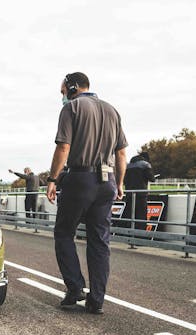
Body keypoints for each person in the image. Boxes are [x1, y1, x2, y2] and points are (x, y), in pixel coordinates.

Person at [46, 72, 127, 314]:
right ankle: (97, 300)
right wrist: (120, 183)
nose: (63, 97)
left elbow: (63, 147)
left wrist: (52, 179)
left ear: (72, 88)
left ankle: (75, 287)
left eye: (63, 92)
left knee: (63, 232)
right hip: (108, 181)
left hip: (80, 178)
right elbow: (121, 154)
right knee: (99, 241)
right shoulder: (112, 110)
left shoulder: (72, 108)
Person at [124, 151, 156, 230]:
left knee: (130, 216)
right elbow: (152, 178)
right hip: (141, 195)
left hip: (129, 194)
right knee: (141, 216)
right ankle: (141, 236)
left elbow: (125, 180)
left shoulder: (128, 165)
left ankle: (130, 236)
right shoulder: (145, 164)